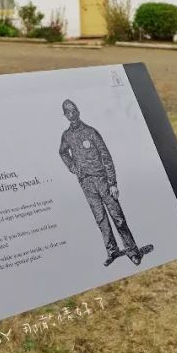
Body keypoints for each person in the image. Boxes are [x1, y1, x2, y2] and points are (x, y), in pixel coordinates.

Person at [58, 99, 150, 266]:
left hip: (103, 181)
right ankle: (112, 251)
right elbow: (63, 152)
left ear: (78, 112)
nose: (71, 115)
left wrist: (112, 183)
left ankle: (132, 251)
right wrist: (72, 167)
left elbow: (105, 156)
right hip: (86, 183)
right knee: (100, 219)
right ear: (65, 115)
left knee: (118, 217)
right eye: (68, 112)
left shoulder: (91, 132)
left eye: (73, 111)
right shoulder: (66, 136)